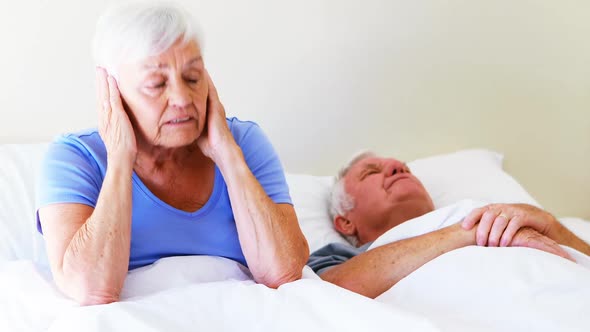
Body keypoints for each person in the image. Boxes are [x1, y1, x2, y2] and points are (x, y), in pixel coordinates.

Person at [36, 2, 309, 305]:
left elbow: (283, 273)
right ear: (111, 91)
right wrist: (120, 159)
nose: (181, 98)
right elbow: (91, 288)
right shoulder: (74, 157)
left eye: (193, 78)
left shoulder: (244, 142)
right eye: (156, 84)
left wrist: (227, 155)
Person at [308, 151, 590, 298]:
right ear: (345, 222)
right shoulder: (339, 259)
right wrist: (470, 230)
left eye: (404, 168)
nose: (397, 168)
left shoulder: (494, 212)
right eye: (372, 172)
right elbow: (326, 291)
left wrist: (552, 226)